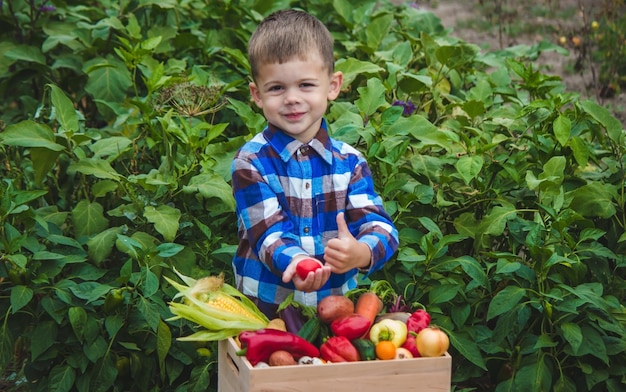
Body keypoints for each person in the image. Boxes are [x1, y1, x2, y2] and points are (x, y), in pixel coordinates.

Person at [231, 9, 399, 318]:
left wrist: (360, 253)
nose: (292, 98)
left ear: (333, 86)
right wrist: (295, 261)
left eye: (306, 85)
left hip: (336, 312)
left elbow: (380, 227)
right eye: (277, 88)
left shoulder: (350, 163)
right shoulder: (251, 161)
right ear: (257, 95)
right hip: (266, 314)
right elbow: (269, 234)